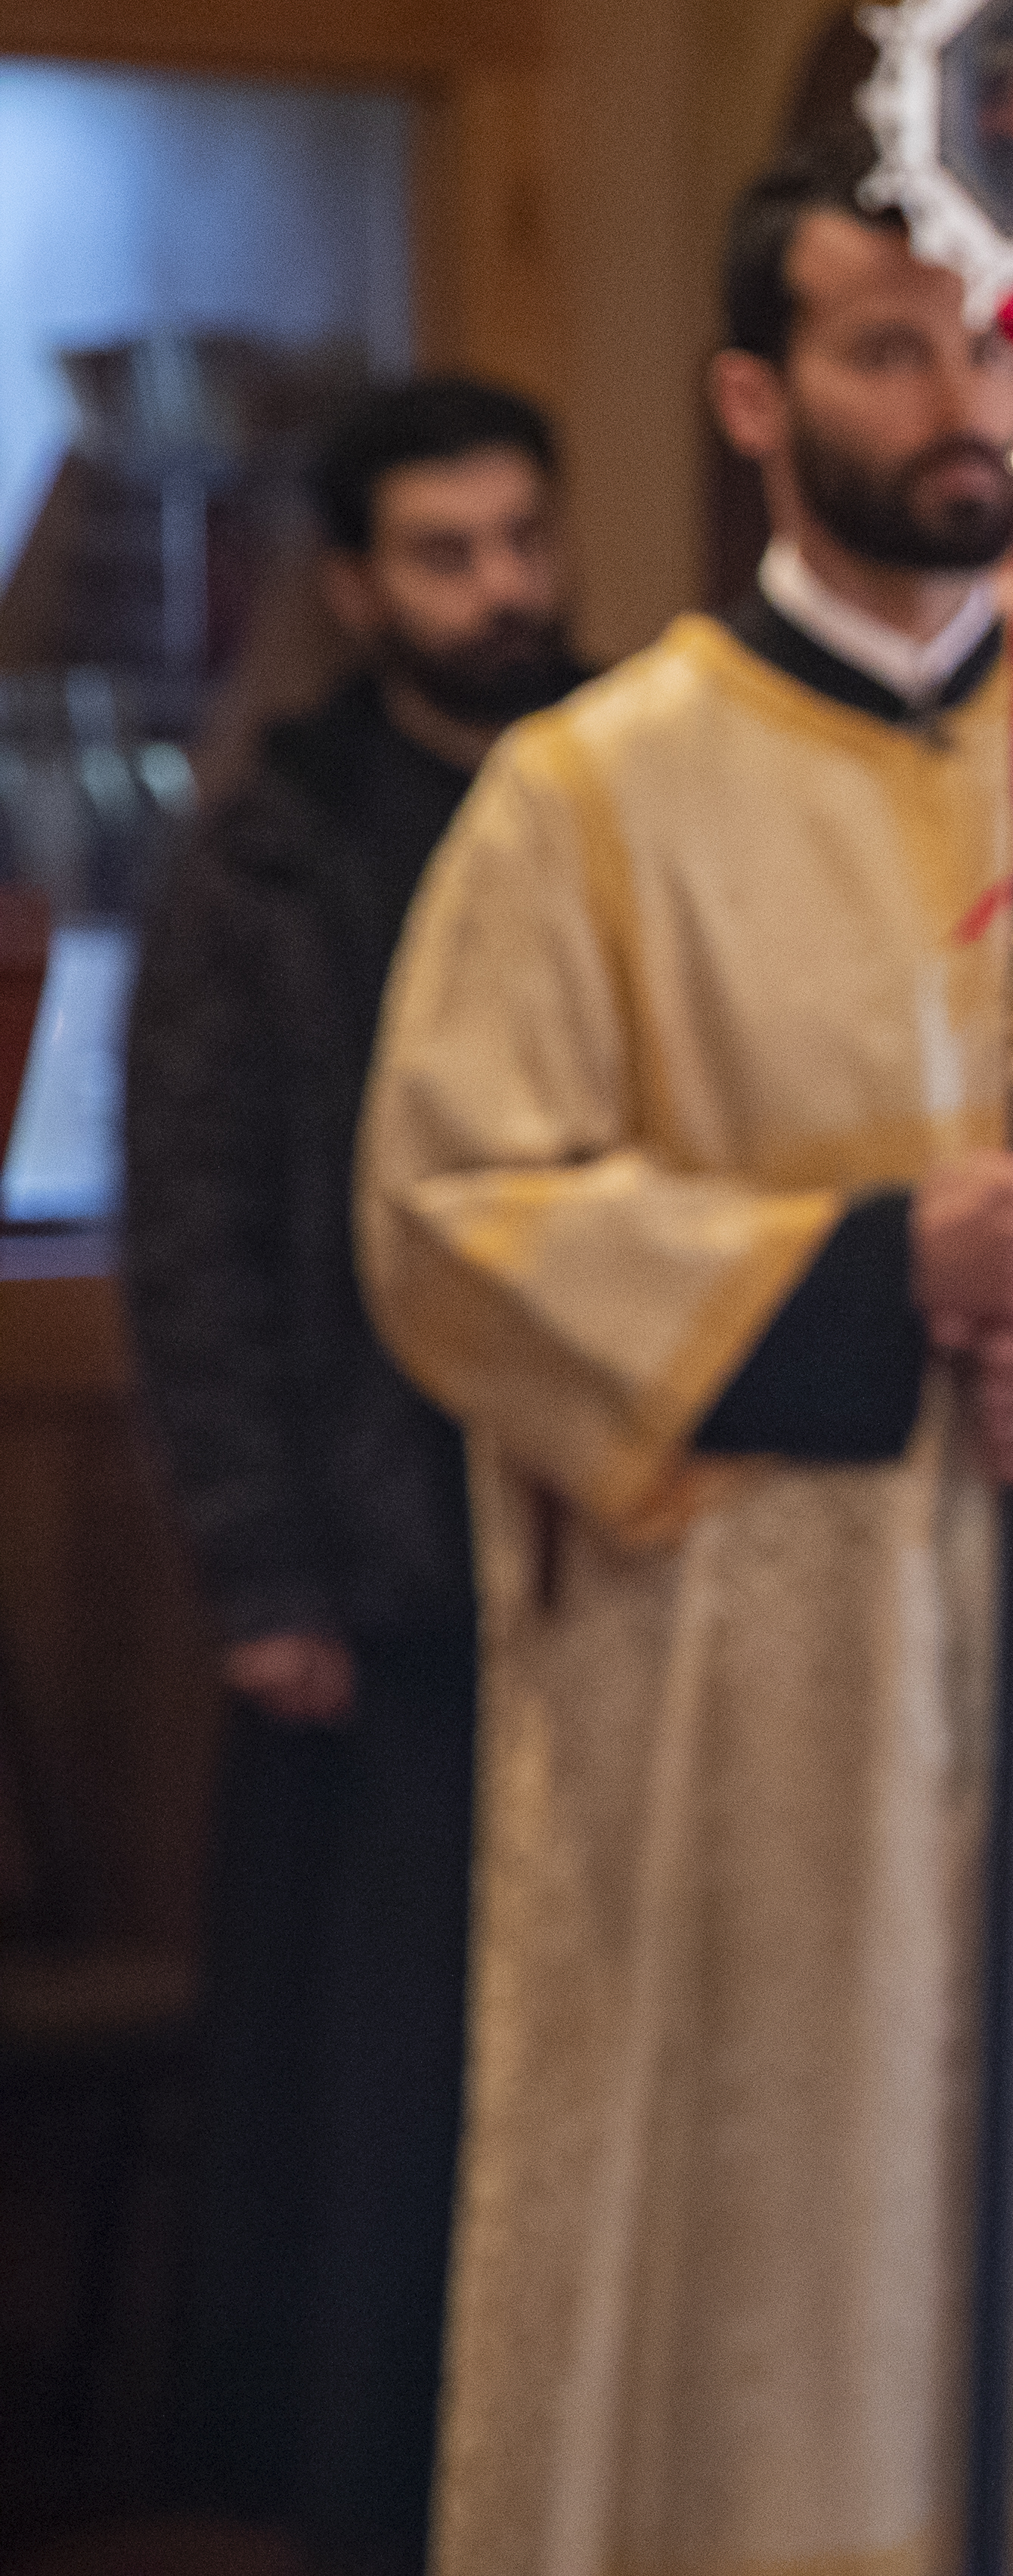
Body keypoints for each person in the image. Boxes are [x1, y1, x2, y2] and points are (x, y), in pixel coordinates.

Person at [359, 129, 1013, 2576]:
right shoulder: (590, 793)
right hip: (749, 1715)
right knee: (784, 2319)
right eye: (890, 346)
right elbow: (451, 1215)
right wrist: (881, 1268)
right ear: (751, 399)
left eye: (996, 343)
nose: (962, 396)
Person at [124, 373, 581, 2573]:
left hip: (606, 1532)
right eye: (445, 554)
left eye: (522, 543)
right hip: (371, 1555)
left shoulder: (616, 783)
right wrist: (262, 1569)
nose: (501, 593)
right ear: (353, 584)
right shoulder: (279, 835)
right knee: (385, 2086)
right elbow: (198, 1222)